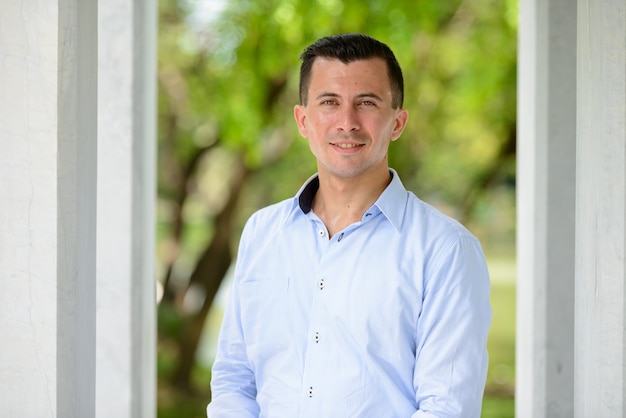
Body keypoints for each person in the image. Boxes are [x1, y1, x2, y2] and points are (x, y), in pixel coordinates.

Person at [207, 33, 492, 418]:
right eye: (329, 102)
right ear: (303, 120)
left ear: (397, 121)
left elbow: (447, 409)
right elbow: (234, 379)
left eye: (367, 103)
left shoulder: (446, 249)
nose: (347, 122)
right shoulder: (262, 233)